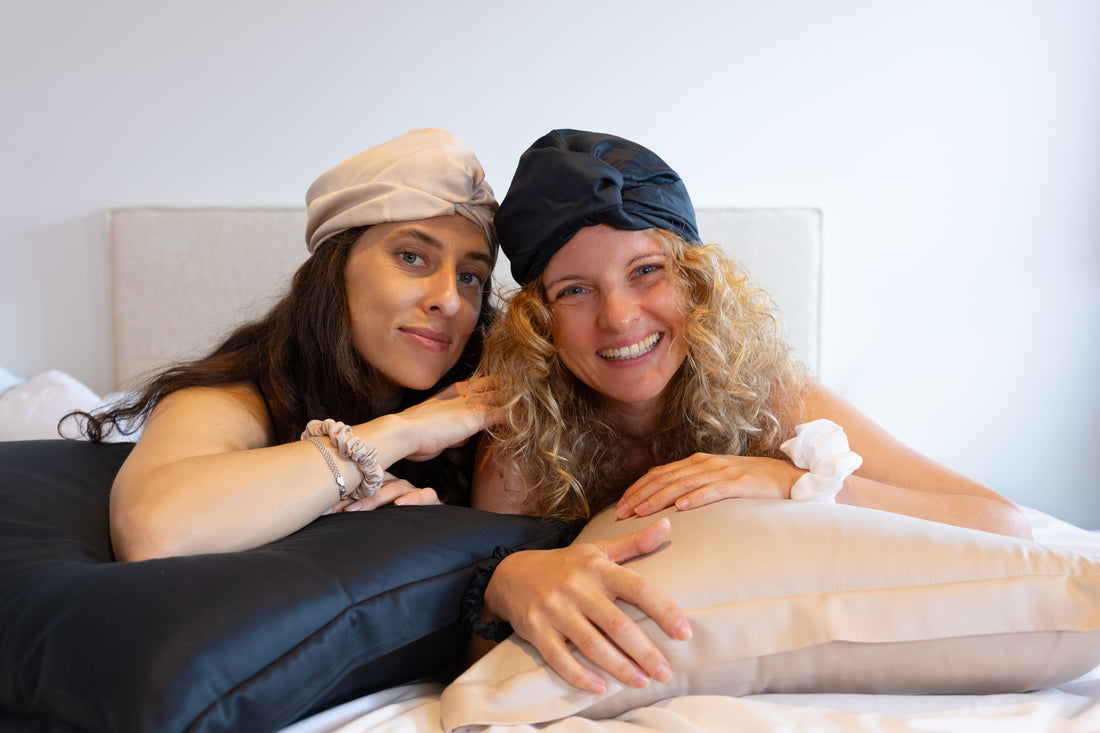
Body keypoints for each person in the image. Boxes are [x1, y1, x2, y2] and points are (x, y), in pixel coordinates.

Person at [467, 128, 1033, 695]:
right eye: (574, 291)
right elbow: (478, 664)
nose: (618, 317)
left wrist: (799, 484)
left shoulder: (770, 396)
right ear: (538, 322)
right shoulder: (523, 449)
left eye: (646, 271)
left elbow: (1006, 527)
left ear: (696, 282)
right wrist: (507, 583)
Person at [72, 128, 502, 561]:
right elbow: (153, 531)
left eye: (470, 277)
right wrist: (404, 432)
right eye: (411, 256)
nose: (449, 300)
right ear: (335, 269)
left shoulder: (486, 415)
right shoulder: (236, 400)